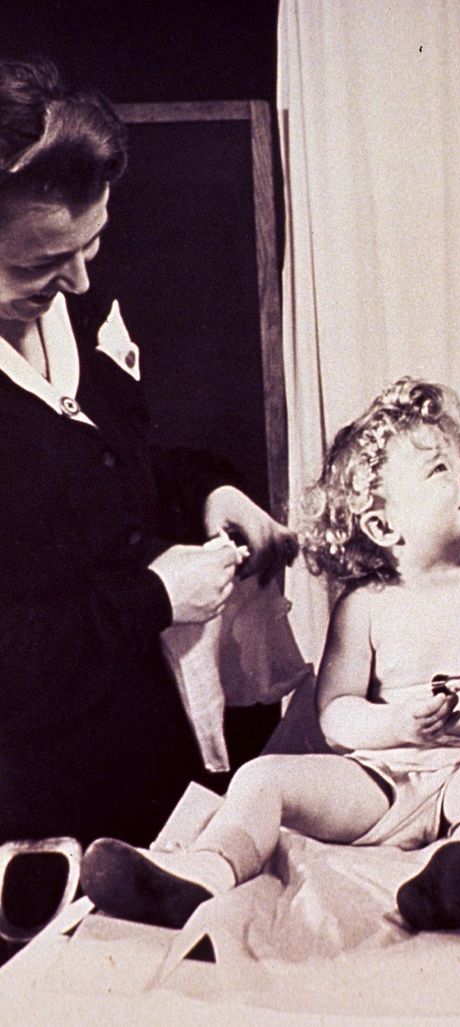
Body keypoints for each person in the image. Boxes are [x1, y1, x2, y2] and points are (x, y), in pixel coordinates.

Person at [80, 377, 460, 932]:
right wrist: (397, 723)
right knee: (262, 777)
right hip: (383, 779)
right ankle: (203, 873)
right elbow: (336, 716)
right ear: (382, 525)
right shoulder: (366, 607)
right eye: (439, 470)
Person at [0, 57, 295, 866]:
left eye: (90, 243)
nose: (81, 278)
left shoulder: (79, 297)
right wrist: (154, 597)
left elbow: (112, 472)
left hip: (145, 768)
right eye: (40, 262)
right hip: (32, 815)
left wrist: (209, 491)